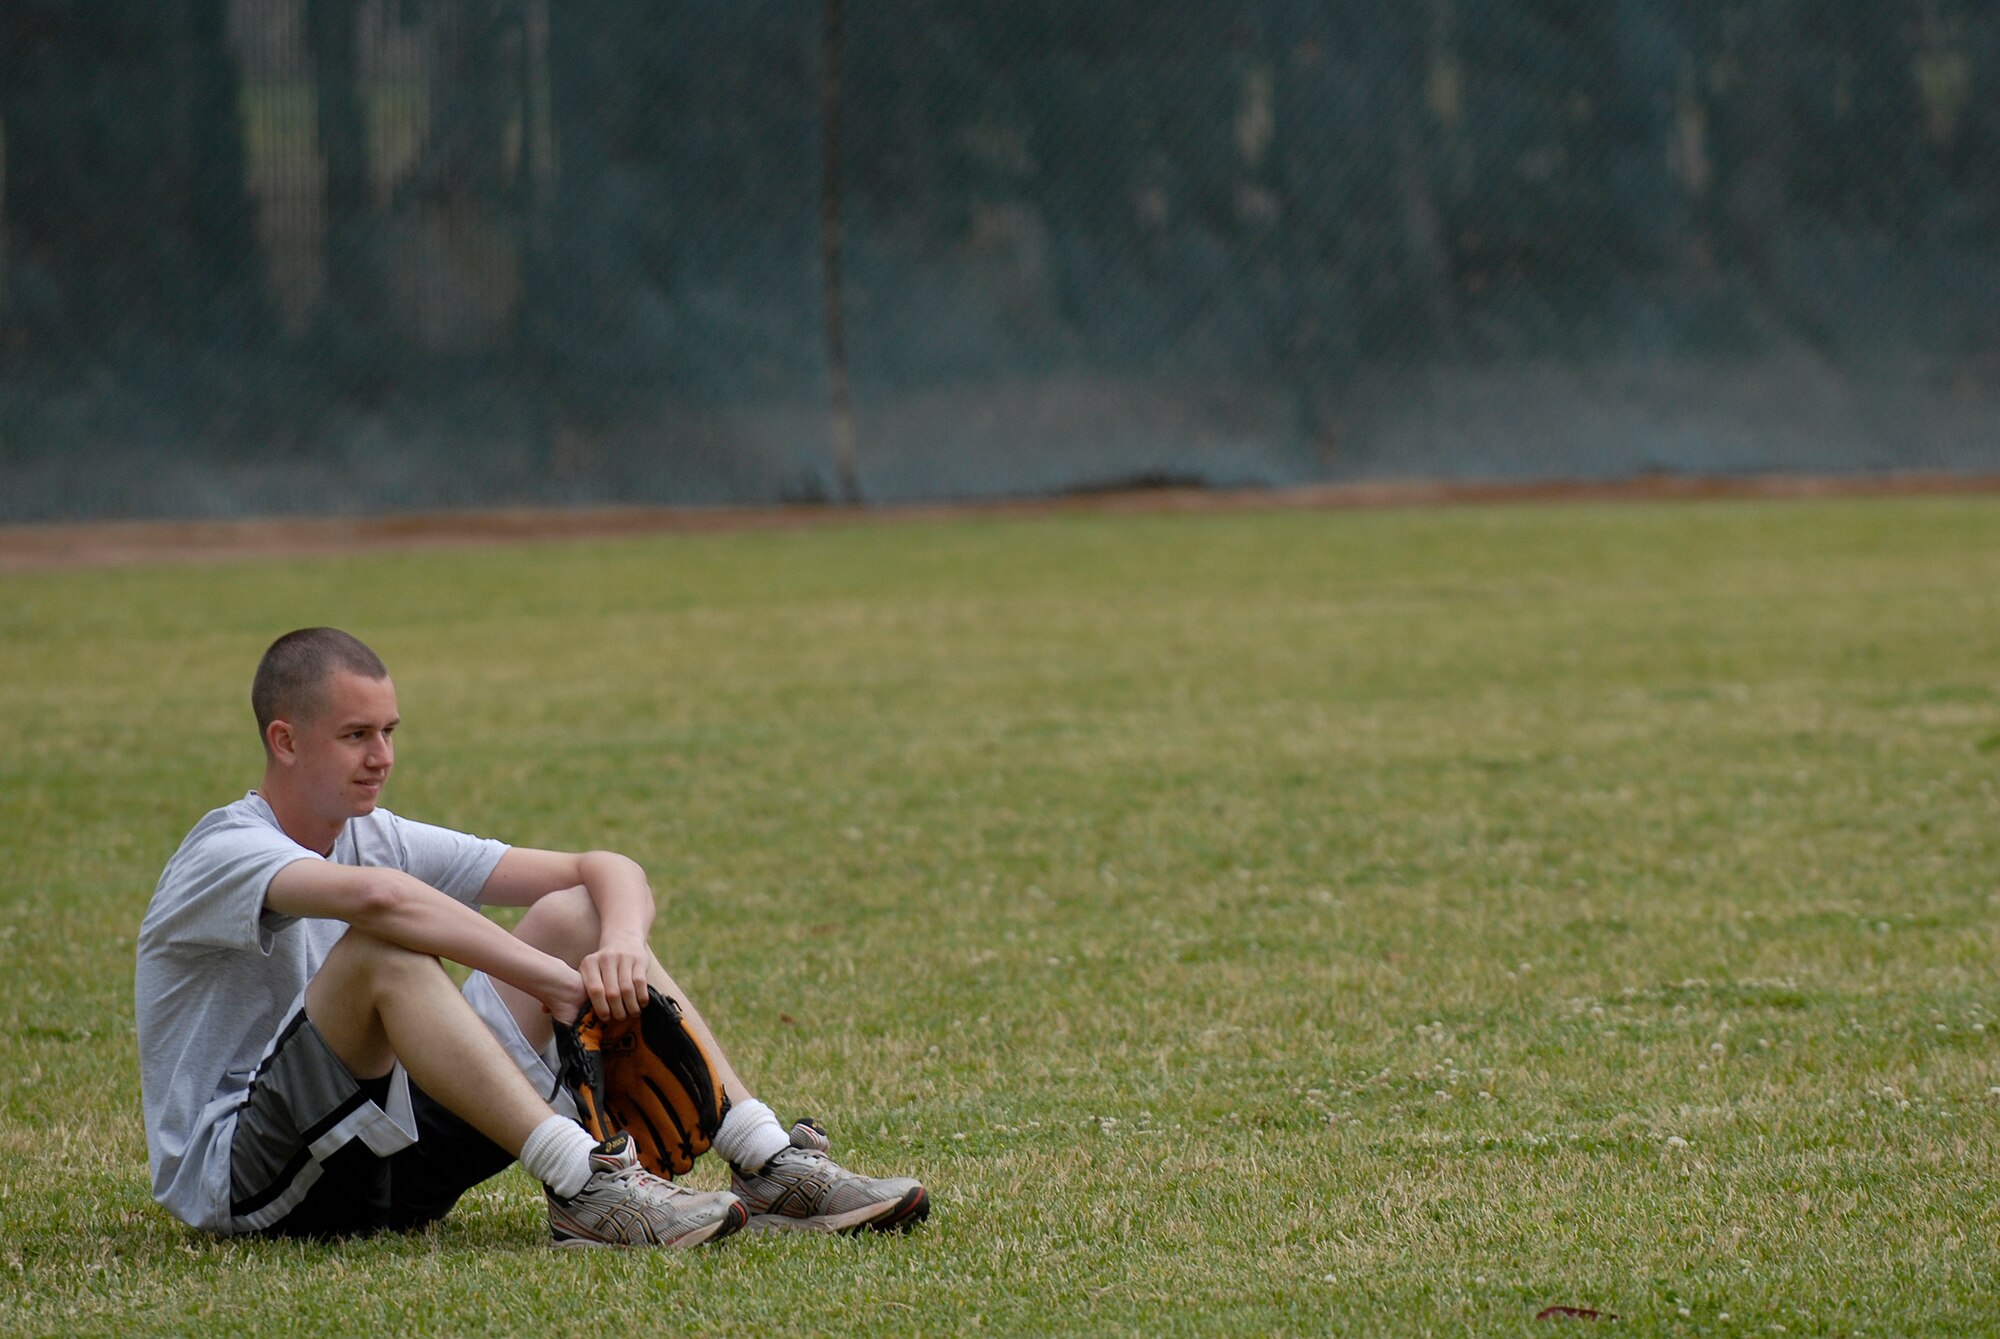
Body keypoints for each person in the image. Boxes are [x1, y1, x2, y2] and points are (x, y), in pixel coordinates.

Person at [135, 627, 927, 1246]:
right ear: (285, 740)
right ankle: (585, 1184)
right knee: (383, 949)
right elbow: (381, 901)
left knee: (576, 916)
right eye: (356, 735)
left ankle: (766, 1161)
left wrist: (615, 942)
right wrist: (551, 981)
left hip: (383, 1155)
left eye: (389, 731)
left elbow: (603, 866)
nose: (383, 757)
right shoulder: (224, 852)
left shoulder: (372, 829)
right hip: (250, 1178)